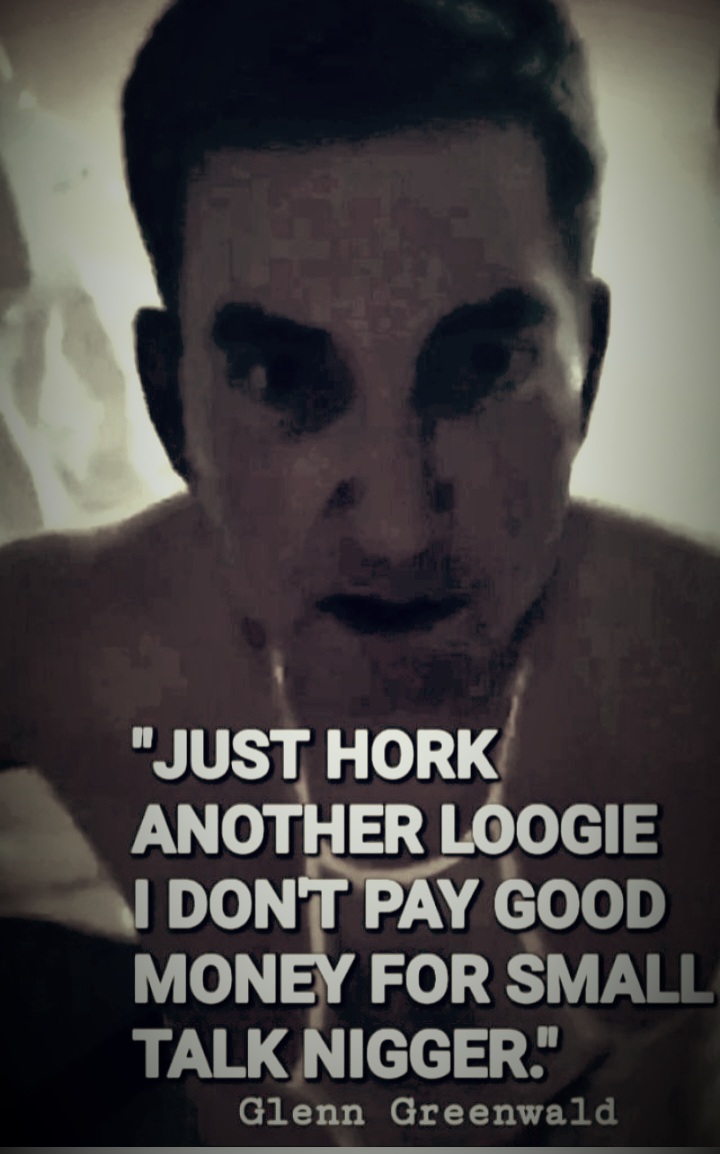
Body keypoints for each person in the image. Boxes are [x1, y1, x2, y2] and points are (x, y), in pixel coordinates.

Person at [2, 0, 719, 1144]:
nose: (395, 527)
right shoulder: (68, 639)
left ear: (587, 368)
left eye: (482, 361)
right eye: (283, 377)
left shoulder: (697, 675)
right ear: (170, 399)